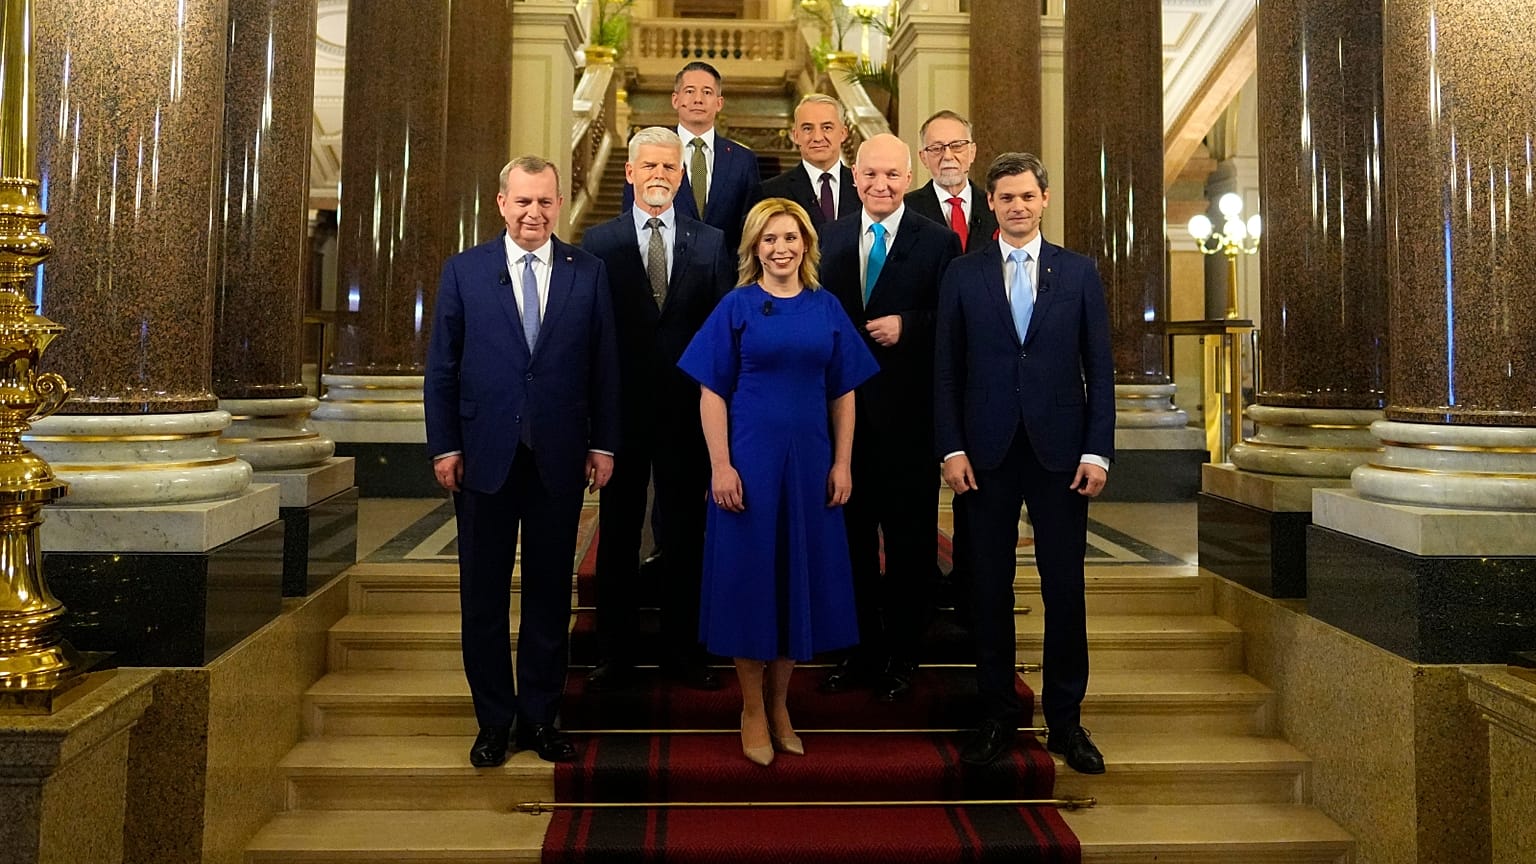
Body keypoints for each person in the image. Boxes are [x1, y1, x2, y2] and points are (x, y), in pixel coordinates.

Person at [424, 156, 620, 767]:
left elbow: (604, 366)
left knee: (546, 597)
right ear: (502, 203)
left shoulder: (587, 272)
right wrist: (446, 444)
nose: (534, 213)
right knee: (482, 596)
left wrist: (604, 442)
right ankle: (493, 721)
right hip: (483, 457)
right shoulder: (465, 271)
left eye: (545, 202)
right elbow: (442, 369)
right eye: (523, 202)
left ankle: (539, 716)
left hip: (558, 458)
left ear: (558, 205)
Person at [677, 198, 878, 766]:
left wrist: (842, 463)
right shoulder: (736, 306)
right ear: (754, 248)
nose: (781, 248)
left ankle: (782, 703)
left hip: (813, 463)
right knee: (750, 582)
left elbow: (845, 392)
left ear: (807, 245)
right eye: (769, 239)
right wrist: (720, 465)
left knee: (797, 580)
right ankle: (751, 708)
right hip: (750, 464)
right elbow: (710, 392)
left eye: (790, 237)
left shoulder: (827, 307)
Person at [934, 152, 1113, 773]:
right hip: (982, 456)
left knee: (1066, 589)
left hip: (1061, 455)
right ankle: (996, 718)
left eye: (1027, 196)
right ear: (990, 204)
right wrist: (950, 447)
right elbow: (947, 372)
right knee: (988, 590)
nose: (1016, 206)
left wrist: (1098, 451)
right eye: (1005, 197)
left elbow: (1101, 371)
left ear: (1044, 200)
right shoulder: (962, 274)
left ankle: (1066, 722)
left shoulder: (1080, 273)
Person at [580, 127, 735, 692]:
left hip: (688, 418)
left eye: (670, 168)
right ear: (629, 172)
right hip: (620, 419)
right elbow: (591, 340)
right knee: (618, 537)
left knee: (687, 536)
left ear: (681, 175)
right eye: (649, 166)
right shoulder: (597, 244)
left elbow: (722, 338)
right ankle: (614, 657)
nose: (660, 176)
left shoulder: (711, 242)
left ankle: (685, 653)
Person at [816, 134, 960, 702]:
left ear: (909, 178)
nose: (880, 185)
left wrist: (910, 325)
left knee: (909, 547)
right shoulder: (826, 238)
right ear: (855, 178)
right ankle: (859, 653)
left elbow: (951, 323)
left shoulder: (939, 241)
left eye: (892, 176)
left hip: (908, 422)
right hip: (840, 426)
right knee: (848, 545)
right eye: (870, 175)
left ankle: (904, 656)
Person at [623, 61, 760, 256]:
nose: (698, 99)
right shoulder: (649, 152)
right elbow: (630, 219)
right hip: (663, 271)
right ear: (675, 100)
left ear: (719, 102)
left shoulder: (743, 160)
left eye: (707, 92)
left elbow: (753, 226)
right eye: (689, 91)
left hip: (727, 276)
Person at [749, 94, 859, 227]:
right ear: (795, 136)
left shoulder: (864, 187)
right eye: (807, 128)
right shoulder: (770, 192)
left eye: (827, 128)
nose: (817, 137)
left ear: (843, 133)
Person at [903, 110, 999, 252]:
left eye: (957, 146)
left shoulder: (996, 206)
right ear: (923, 158)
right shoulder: (906, 210)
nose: (948, 156)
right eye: (936, 148)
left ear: (972, 152)